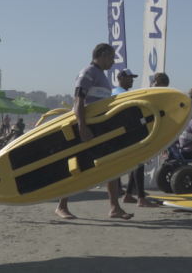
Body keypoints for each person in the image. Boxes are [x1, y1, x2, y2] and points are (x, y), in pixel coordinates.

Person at [55, 43, 133, 220]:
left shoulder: (103, 77)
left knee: (111, 165)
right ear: (104, 55)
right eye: (112, 58)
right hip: (87, 128)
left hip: (100, 128)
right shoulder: (88, 72)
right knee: (77, 167)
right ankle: (61, 206)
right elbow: (78, 99)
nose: (113, 62)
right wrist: (81, 125)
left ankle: (114, 208)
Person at [113, 68, 158, 209]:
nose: (132, 80)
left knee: (137, 163)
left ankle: (127, 195)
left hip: (126, 133)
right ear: (121, 78)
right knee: (138, 162)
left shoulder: (118, 92)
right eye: (129, 77)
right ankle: (141, 199)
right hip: (126, 134)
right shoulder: (121, 93)